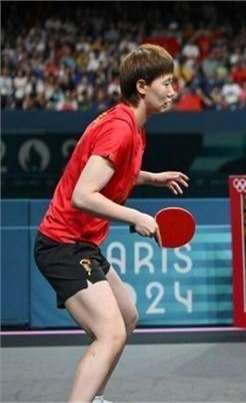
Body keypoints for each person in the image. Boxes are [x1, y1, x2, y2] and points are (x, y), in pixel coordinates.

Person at [33, 44, 189, 403]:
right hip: (63, 244)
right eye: (167, 83)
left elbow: (114, 171)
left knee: (126, 317)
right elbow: (83, 195)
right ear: (142, 87)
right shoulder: (119, 129)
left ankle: (95, 397)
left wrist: (152, 178)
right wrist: (137, 217)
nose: (173, 91)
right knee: (111, 332)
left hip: (84, 244)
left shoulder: (132, 126)